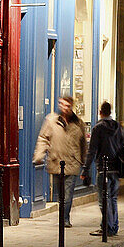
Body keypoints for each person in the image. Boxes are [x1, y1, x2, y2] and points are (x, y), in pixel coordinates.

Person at [33, 96, 87, 228]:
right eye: (62, 104)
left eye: (67, 105)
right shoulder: (51, 120)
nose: (64, 107)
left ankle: (65, 219)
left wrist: (84, 163)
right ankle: (63, 216)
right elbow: (43, 138)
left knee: (67, 194)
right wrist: (39, 155)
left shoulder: (78, 123)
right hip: (56, 162)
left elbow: (83, 144)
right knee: (60, 194)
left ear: (71, 107)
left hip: (72, 163)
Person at [82, 102, 124, 238]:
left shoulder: (98, 128)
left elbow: (92, 151)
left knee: (104, 199)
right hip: (116, 167)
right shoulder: (118, 127)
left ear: (100, 112)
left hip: (104, 168)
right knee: (113, 198)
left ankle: (108, 227)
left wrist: (85, 169)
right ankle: (113, 226)